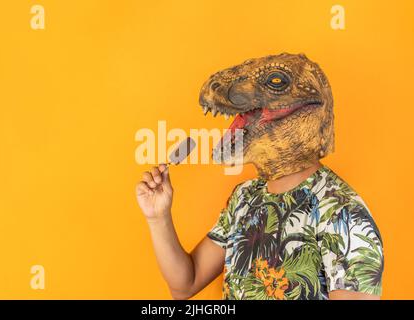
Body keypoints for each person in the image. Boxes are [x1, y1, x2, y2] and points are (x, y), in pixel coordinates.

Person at [135, 53, 383, 300]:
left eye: (276, 82)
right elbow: (185, 284)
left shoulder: (344, 213)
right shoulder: (244, 197)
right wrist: (158, 217)